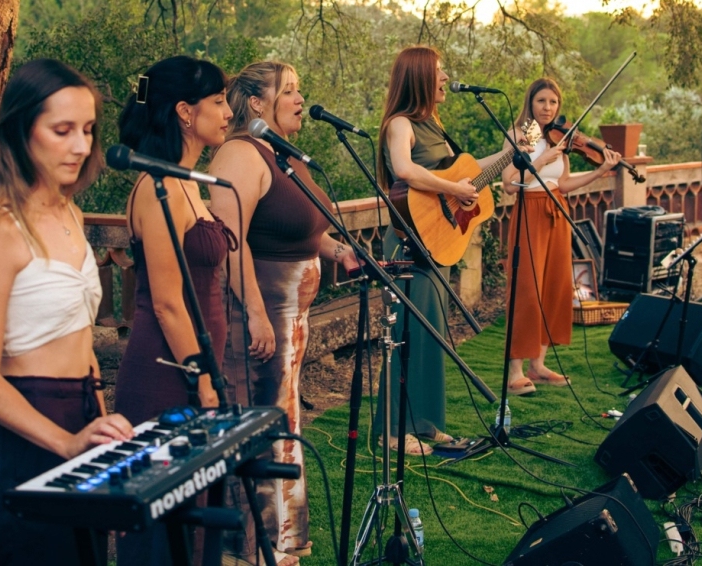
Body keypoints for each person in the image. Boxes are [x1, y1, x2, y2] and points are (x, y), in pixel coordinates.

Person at [0, 58, 135, 565]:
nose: (81, 146)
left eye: (87, 129)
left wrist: (100, 429)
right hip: (28, 433)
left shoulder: (70, 213)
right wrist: (67, 444)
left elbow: (83, 346)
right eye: (62, 130)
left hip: (82, 415)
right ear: (21, 130)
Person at [207, 60, 359, 565]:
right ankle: (249, 550)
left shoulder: (281, 153)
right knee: (259, 429)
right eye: (288, 90)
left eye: (299, 88)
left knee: (282, 425)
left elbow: (301, 229)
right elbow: (232, 241)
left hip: (290, 319)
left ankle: (280, 544)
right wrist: (253, 312)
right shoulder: (240, 154)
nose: (299, 98)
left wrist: (338, 251)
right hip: (260, 320)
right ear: (255, 103)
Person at [113, 55, 236, 566]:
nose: (229, 111)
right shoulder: (154, 187)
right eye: (218, 101)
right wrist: (202, 380)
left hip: (203, 365)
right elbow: (166, 301)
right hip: (167, 374)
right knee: (164, 530)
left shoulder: (190, 180)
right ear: (186, 111)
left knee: (198, 516)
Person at [373, 45, 511, 456]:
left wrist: (511, 151)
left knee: (431, 336)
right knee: (406, 337)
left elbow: (466, 172)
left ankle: (427, 423)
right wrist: (453, 189)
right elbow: (404, 169)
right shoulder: (400, 124)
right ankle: (393, 432)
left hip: (437, 241)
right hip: (408, 242)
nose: (447, 77)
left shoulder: (433, 122)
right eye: (439, 71)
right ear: (419, 78)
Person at [500, 77, 621, 395]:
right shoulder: (518, 136)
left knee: (554, 287)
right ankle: (514, 373)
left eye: (553, 102)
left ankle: (537, 365)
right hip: (530, 211)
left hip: (557, 210)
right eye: (542, 101)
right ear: (530, 102)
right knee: (526, 288)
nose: (548, 107)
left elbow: (562, 183)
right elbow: (509, 184)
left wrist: (598, 171)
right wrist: (540, 159)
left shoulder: (561, 139)